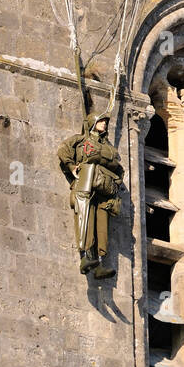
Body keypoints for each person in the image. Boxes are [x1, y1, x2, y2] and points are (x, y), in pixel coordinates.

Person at [57, 113, 123, 278]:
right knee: (85, 217)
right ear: (92, 122)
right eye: (101, 121)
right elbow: (63, 149)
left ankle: (99, 263)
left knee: (102, 222)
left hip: (104, 187)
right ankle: (86, 257)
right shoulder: (80, 140)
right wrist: (72, 167)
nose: (104, 124)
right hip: (86, 182)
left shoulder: (109, 147)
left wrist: (117, 182)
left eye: (106, 122)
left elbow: (119, 168)